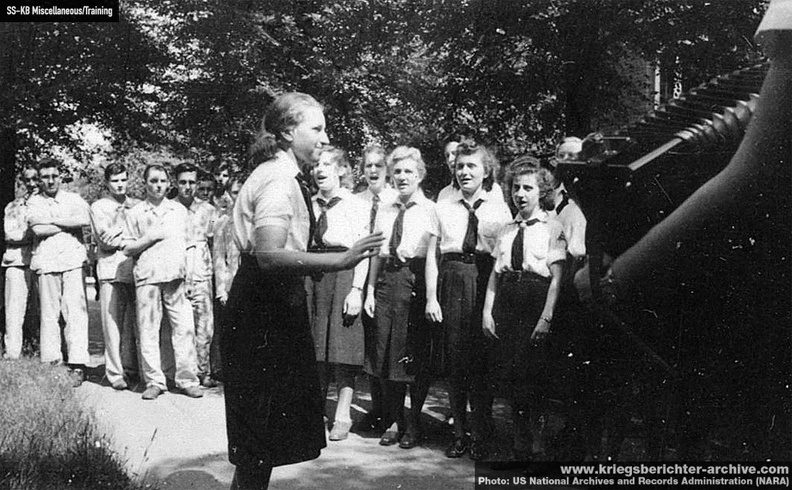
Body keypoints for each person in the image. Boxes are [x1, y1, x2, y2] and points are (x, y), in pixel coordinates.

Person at [221, 92, 383, 490]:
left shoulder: (283, 175)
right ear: (288, 132)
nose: (325, 138)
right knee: (260, 428)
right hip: (263, 306)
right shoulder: (278, 179)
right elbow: (268, 255)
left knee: (263, 431)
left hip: (271, 302)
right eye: (317, 128)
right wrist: (341, 260)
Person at [425, 142, 512, 460]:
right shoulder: (443, 205)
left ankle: (481, 433)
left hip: (484, 280)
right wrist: (432, 297)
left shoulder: (499, 208)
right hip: (451, 280)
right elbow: (433, 256)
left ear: (486, 171)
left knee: (481, 363)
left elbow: (502, 257)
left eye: (471, 166)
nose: (464, 171)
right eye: (460, 166)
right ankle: (459, 433)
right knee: (455, 362)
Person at [482, 161, 567, 460]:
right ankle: (519, 438)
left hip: (536, 302)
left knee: (536, 377)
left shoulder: (552, 227)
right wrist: (487, 311)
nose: (520, 194)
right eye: (516, 187)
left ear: (541, 192)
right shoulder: (507, 229)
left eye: (528, 188)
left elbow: (557, 278)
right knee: (512, 376)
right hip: (508, 302)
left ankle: (538, 442)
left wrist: (546, 317)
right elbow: (495, 274)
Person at [363, 146, 438, 449]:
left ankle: (414, 421)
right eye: (397, 171)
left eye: (409, 171)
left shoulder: (430, 209)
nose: (402, 177)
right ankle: (397, 420)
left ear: (420, 175)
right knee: (386, 354)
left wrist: (431, 297)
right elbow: (375, 254)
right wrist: (369, 290)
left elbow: (432, 258)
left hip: (414, 280)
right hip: (386, 282)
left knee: (412, 354)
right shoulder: (385, 208)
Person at [123, 164, 203, 400]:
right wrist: (149, 237)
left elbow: (190, 246)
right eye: (153, 181)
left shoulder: (178, 211)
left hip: (176, 278)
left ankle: (187, 379)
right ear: (145, 183)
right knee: (148, 330)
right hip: (148, 277)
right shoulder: (136, 213)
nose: (158, 186)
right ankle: (154, 381)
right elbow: (127, 247)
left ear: (169, 184)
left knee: (184, 328)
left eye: (162, 181)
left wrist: (190, 276)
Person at [305, 146, 369, 441]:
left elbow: (364, 251)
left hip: (343, 274)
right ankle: (314, 410)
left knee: (343, 348)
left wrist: (356, 289)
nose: (320, 170)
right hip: (313, 275)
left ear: (342, 170)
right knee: (314, 347)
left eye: (327, 164)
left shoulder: (355, 204)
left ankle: (343, 414)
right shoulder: (308, 203)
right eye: (316, 164)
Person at [26, 158, 91, 386]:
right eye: (45, 177)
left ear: (60, 177)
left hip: (72, 261)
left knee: (75, 312)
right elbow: (37, 229)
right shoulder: (34, 201)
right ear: (40, 180)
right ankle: (52, 362)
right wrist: (67, 223)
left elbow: (84, 219)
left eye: (54, 176)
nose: (51, 181)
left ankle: (77, 364)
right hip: (47, 262)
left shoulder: (73, 199)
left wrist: (52, 221)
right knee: (49, 314)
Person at [353, 143, 398, 433]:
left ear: (387, 170)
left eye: (378, 166)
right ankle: (377, 407)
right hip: (360, 274)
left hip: (386, 275)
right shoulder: (355, 201)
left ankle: (393, 412)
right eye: (368, 165)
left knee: (388, 345)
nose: (372, 170)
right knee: (371, 346)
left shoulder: (396, 199)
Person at [89, 163, 141, 390]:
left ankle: (132, 369)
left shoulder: (138, 205)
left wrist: (121, 232)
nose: (120, 185)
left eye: (123, 180)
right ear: (107, 183)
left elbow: (145, 233)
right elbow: (105, 240)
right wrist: (129, 231)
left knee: (134, 324)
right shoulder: (99, 207)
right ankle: (115, 373)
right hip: (110, 271)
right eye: (115, 181)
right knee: (112, 325)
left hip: (135, 270)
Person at [174, 163, 219, 388]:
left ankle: (203, 371)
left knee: (205, 327)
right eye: (183, 182)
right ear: (176, 183)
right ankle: (182, 373)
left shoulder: (209, 211)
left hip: (202, 273)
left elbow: (215, 241)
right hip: (176, 274)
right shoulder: (170, 209)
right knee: (181, 328)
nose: (188, 187)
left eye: (192, 182)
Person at [3, 166, 38, 359]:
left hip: (41, 261)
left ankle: (41, 350)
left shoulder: (45, 204)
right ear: (22, 182)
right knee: (14, 310)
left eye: (36, 179)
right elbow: (11, 235)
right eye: (28, 180)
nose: (32, 184)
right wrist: (38, 231)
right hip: (17, 261)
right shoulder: (13, 207)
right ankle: (12, 353)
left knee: (46, 310)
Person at [211, 176, 243, 383]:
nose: (238, 197)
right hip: (232, 284)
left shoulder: (256, 220)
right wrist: (222, 290)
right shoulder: (223, 222)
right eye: (234, 192)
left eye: (242, 192)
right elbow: (219, 258)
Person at [437, 139, 504, 202]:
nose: (450, 159)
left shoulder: (494, 191)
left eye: (454, 153)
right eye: (447, 155)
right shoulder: (444, 194)